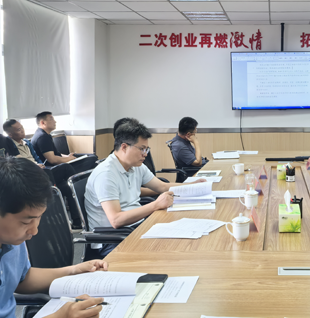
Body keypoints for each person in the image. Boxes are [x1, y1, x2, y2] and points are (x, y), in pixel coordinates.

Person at [0, 157, 107, 318]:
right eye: (26, 222)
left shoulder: (12, 240)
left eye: (39, 218)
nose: (34, 231)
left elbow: (22, 279)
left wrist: (74, 270)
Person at [85, 121, 185, 257]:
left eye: (147, 149)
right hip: (113, 239)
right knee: (166, 252)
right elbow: (116, 220)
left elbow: (162, 186)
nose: (145, 154)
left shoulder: (136, 166)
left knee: (177, 238)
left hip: (136, 226)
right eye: (142, 149)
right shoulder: (106, 174)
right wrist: (156, 204)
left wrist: (195, 185)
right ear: (124, 147)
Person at [31, 111, 99, 173]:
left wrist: (67, 157)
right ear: (43, 123)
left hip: (60, 163)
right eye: (51, 119)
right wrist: (68, 159)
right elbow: (52, 160)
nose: (55, 122)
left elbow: (55, 154)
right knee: (92, 159)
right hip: (56, 168)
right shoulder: (42, 137)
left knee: (92, 157)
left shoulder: (43, 134)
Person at [3, 119, 56, 184]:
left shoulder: (27, 142)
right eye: (19, 130)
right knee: (49, 174)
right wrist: (36, 166)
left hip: (39, 168)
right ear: (10, 134)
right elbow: (19, 165)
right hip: (28, 173)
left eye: (22, 127)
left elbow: (36, 157)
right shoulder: (10, 147)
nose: (22, 130)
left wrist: (41, 164)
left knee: (64, 168)